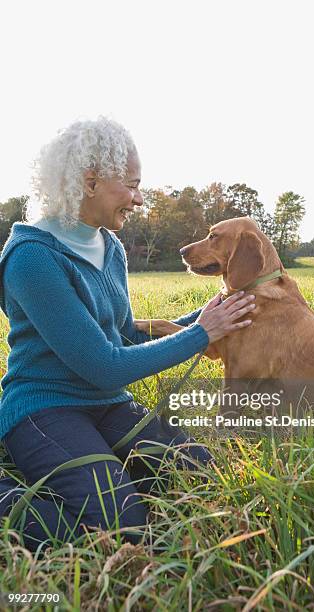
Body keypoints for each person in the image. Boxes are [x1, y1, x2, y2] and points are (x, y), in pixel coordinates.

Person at [0, 117, 256, 553]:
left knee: (204, 474)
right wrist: (200, 334)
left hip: (108, 405)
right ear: (90, 181)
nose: (139, 199)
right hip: (45, 410)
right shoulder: (32, 258)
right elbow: (103, 365)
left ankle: (110, 470)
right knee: (119, 527)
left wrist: (222, 310)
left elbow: (122, 340)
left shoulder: (110, 246)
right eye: (132, 185)